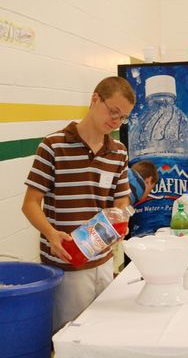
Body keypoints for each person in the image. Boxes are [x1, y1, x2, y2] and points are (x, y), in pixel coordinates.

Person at [22, 76, 136, 332]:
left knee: (103, 332)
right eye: (113, 112)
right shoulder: (53, 146)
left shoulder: (118, 151)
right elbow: (30, 204)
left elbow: (121, 196)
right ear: (95, 98)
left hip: (104, 259)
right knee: (71, 337)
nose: (116, 122)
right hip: (67, 264)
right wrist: (51, 234)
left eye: (123, 117)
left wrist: (121, 218)